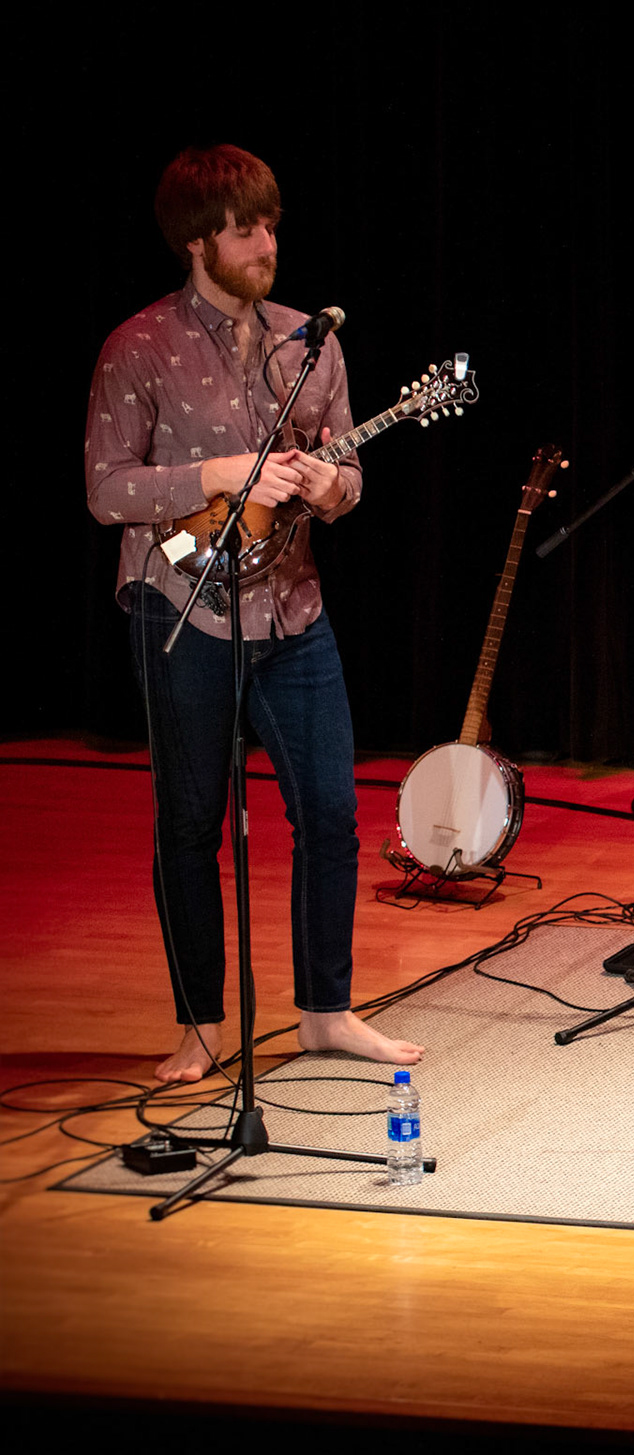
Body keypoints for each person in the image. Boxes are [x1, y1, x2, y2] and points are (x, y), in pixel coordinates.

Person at [84, 145, 423, 1084]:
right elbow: (107, 489)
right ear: (199, 242)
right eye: (246, 230)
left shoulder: (312, 340)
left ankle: (326, 1012)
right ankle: (200, 1025)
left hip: (292, 606)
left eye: (272, 224)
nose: (268, 243)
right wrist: (220, 473)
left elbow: (348, 474)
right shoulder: (138, 346)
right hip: (180, 603)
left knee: (331, 813)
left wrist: (333, 486)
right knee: (192, 822)